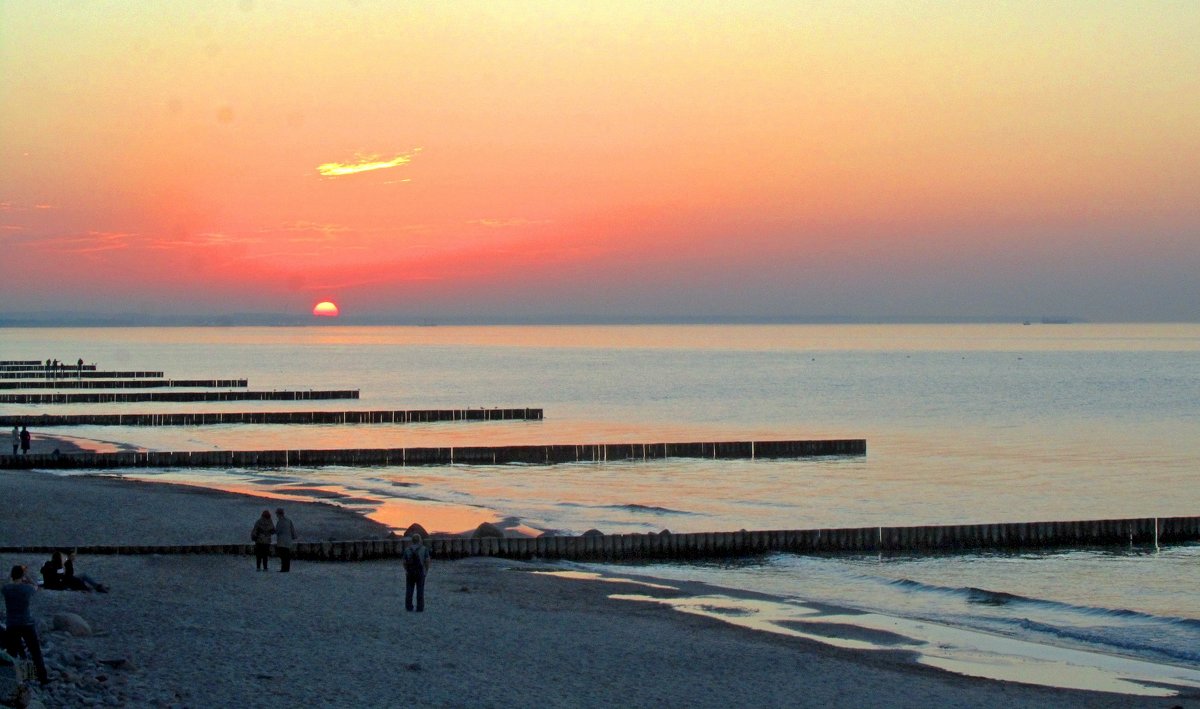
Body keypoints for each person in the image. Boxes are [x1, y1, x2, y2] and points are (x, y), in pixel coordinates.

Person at [3, 565, 49, 685]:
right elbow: (37, 587)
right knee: (35, 652)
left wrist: (11, 577)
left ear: (12, 575)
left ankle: (12, 677)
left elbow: (5, 584)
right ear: (22, 576)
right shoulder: (26, 589)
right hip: (26, 623)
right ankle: (43, 678)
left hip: (12, 624)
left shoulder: (7, 589)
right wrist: (27, 577)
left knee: (12, 653)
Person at [402, 533, 431, 612]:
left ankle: (409, 607)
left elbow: (404, 562)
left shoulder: (407, 550)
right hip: (420, 572)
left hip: (410, 573)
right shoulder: (424, 549)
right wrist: (426, 571)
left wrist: (406, 570)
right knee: (420, 590)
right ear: (420, 540)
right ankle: (420, 607)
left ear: (412, 541)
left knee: (409, 590)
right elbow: (427, 561)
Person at [274, 508, 297, 573]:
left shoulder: (280, 522)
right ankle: (287, 568)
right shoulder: (288, 520)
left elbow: (277, 531)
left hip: (282, 541)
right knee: (287, 555)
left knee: (283, 555)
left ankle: (283, 568)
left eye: (277, 514)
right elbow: (292, 529)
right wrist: (293, 537)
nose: (276, 515)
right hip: (288, 541)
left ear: (279, 514)